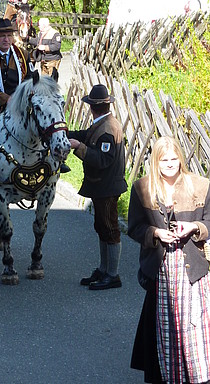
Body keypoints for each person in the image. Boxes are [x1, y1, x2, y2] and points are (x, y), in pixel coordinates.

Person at [128, 136, 210, 384]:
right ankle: (169, 376)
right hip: (161, 271)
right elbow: (134, 228)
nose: (170, 164)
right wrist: (156, 233)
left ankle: (197, 376)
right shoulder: (142, 188)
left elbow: (209, 221)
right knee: (166, 328)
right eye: (164, 160)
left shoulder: (200, 186)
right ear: (156, 161)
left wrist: (194, 227)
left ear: (181, 159)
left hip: (193, 269)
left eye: (174, 159)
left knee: (194, 327)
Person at [68, 84, 127, 290]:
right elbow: (86, 134)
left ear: (91, 107)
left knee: (110, 228)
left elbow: (103, 160)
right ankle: (104, 269)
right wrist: (65, 133)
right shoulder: (103, 123)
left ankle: (112, 274)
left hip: (107, 187)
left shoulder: (107, 129)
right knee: (102, 226)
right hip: (102, 186)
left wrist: (79, 147)